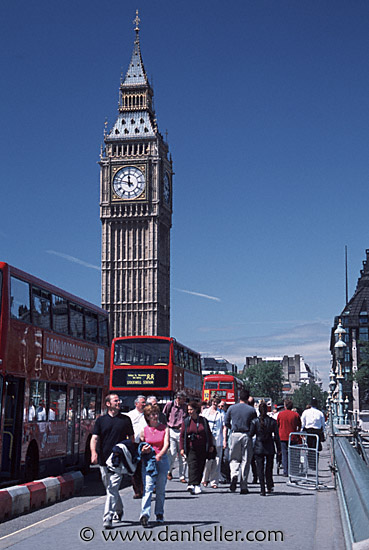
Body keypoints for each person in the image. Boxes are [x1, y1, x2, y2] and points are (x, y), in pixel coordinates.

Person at [91, 393, 134, 529]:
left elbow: (131, 439)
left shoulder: (125, 420)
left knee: (112, 488)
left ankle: (107, 517)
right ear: (108, 404)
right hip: (104, 459)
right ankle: (119, 509)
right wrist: (93, 452)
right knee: (110, 489)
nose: (119, 402)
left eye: (119, 400)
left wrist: (130, 454)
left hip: (118, 460)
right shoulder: (101, 420)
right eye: (116, 401)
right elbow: (95, 438)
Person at [139, 404, 170, 527]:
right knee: (148, 488)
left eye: (156, 414)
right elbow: (141, 445)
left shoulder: (164, 428)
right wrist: (144, 450)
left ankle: (159, 513)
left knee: (160, 490)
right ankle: (145, 514)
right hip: (149, 462)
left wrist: (160, 454)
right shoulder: (144, 430)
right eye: (152, 414)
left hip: (161, 461)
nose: (155, 416)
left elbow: (166, 444)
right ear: (147, 417)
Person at [224, 388, 257, 494]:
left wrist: (231, 428)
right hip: (246, 434)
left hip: (234, 434)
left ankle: (234, 474)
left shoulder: (232, 408)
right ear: (248, 398)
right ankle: (243, 485)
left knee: (234, 458)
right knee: (245, 460)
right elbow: (254, 423)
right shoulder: (251, 410)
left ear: (239, 397)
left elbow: (226, 422)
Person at [180, 401, 214, 494]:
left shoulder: (203, 420)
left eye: (191, 409)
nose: (190, 412)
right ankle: (191, 484)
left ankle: (197, 484)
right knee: (192, 465)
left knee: (200, 465)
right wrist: (182, 448)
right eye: (188, 410)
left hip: (202, 446)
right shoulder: (186, 421)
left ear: (196, 410)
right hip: (191, 447)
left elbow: (208, 434)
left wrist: (211, 445)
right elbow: (182, 436)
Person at [249, 401, 281, 496]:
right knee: (269, 468)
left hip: (258, 446)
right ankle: (269, 486)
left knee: (260, 468)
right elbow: (276, 437)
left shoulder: (255, 421)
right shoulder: (272, 421)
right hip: (269, 446)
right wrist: (279, 448)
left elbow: (251, 434)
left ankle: (262, 488)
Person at [163, 391, 188, 483]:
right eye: (183, 399)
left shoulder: (185, 407)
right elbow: (164, 415)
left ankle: (182, 476)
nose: (184, 401)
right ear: (178, 398)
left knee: (183, 455)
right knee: (172, 453)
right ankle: (169, 471)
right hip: (172, 430)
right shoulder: (170, 405)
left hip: (182, 431)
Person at [126, 395, 147, 498]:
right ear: (136, 404)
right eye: (142, 402)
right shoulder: (130, 415)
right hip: (134, 444)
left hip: (145, 444)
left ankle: (144, 490)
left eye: (145, 402)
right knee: (135, 468)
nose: (144, 404)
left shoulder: (147, 415)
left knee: (144, 467)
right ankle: (137, 490)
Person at [201, 397, 224, 488]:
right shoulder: (205, 412)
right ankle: (205, 479)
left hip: (218, 438)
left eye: (216, 402)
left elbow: (224, 427)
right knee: (207, 460)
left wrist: (225, 440)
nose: (215, 403)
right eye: (213, 402)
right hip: (207, 439)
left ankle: (214, 481)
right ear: (211, 402)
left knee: (217, 461)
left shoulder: (221, 413)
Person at [277, 399, 301, 477]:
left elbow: (277, 424)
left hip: (283, 436)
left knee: (284, 454)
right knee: (293, 454)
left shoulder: (280, 414)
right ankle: (294, 470)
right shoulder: (295, 415)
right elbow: (299, 425)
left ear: (285, 406)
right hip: (293, 436)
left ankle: (285, 471)